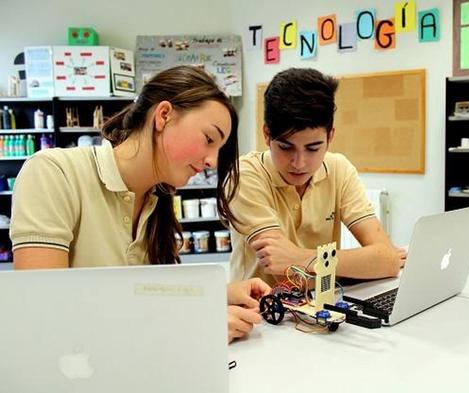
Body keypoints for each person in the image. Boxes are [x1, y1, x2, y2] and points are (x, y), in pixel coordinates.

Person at [10, 65, 269, 343]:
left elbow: (141, 294)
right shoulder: (53, 173)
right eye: (208, 139)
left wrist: (219, 293)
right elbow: (43, 311)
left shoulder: (156, 201)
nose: (212, 161)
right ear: (164, 115)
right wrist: (195, 325)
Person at [228, 67, 406, 286]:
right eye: (286, 147)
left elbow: (387, 261)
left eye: (313, 148)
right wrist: (358, 262)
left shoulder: (339, 168)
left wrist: (302, 257)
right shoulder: (244, 176)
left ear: (330, 136)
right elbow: (288, 278)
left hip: (325, 305)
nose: (299, 163)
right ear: (267, 134)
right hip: (260, 313)